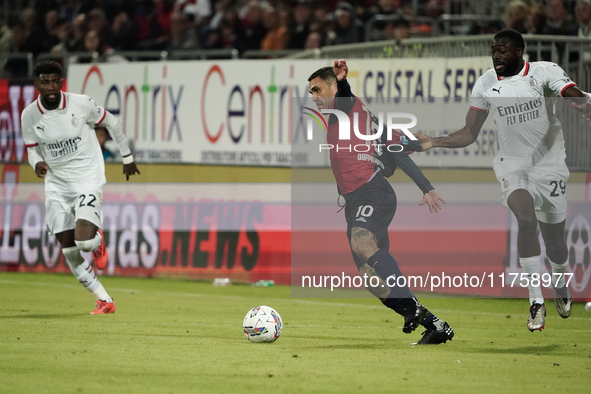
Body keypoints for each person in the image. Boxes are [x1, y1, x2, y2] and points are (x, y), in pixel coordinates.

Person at [416, 29, 591, 332]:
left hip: (549, 167)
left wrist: (587, 100)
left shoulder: (542, 72)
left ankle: (560, 283)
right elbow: (470, 132)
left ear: (520, 51)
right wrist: (435, 141)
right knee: (526, 220)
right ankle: (536, 302)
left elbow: (568, 91)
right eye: (493, 49)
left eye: (503, 50)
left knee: (555, 243)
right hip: (512, 166)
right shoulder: (486, 83)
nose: (496, 54)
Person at [307, 60, 454, 345]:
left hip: (371, 192)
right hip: (357, 201)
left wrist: (343, 82)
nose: (313, 97)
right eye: (310, 92)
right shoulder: (364, 120)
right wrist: (422, 144)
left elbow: (346, 97)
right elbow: (399, 149)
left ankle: (410, 306)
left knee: (361, 244)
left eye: (317, 89)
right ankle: (435, 325)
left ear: (333, 88)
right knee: (373, 281)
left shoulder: (345, 107)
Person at [21, 61, 140, 314]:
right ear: (37, 85)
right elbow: (32, 150)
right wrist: (36, 164)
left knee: (84, 243)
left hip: (87, 179)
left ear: (62, 82)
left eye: (55, 81)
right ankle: (105, 300)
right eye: (45, 82)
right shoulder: (29, 115)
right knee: (70, 251)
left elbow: (111, 122)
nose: (51, 87)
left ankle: (97, 243)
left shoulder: (80, 103)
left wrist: (127, 157)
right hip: (56, 186)